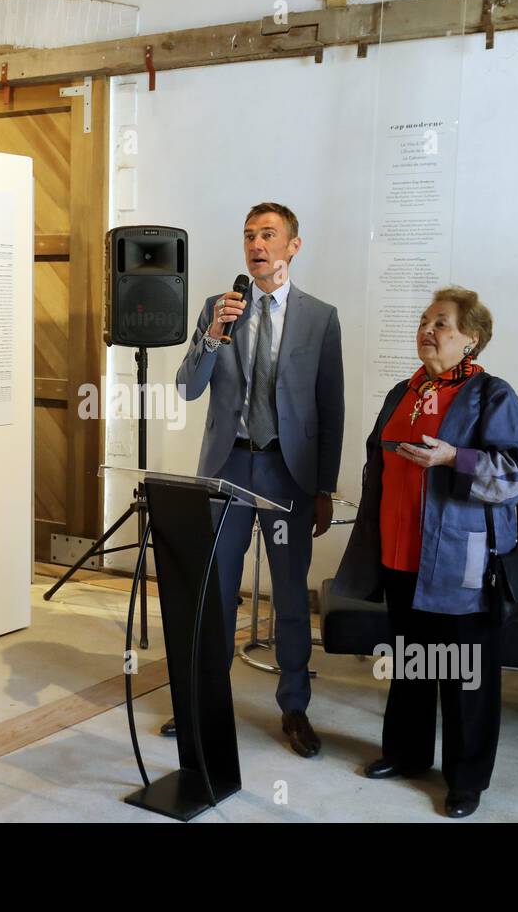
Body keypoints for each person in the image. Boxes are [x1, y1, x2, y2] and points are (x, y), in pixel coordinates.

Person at [332, 286, 518, 817]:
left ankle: (466, 780)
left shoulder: (493, 395)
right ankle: (406, 754)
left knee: (467, 673)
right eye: (425, 321)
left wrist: (456, 459)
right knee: (412, 663)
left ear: (470, 339)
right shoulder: (402, 390)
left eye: (442, 323)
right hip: (402, 555)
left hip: (461, 563)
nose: (429, 330)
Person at [173, 202, 344, 757]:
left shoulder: (320, 317)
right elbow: (187, 386)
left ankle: (294, 706)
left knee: (291, 595)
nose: (257, 245)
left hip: (287, 473)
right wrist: (216, 332)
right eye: (249, 235)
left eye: (269, 235)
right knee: (217, 593)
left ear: (294, 245)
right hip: (227, 467)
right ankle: (206, 700)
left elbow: (330, 409)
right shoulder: (217, 308)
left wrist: (323, 489)